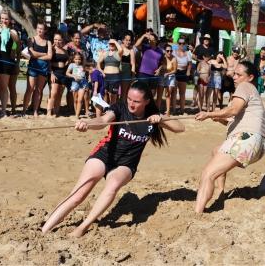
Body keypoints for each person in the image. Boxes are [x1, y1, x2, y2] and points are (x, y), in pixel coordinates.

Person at [41, 81, 183, 237]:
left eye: (136, 101)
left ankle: (83, 227)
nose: (131, 104)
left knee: (113, 184)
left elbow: (180, 128)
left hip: (126, 164)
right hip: (104, 155)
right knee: (78, 195)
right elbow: (102, 121)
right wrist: (87, 123)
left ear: (147, 101)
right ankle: (45, 229)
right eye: (129, 99)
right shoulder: (119, 108)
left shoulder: (152, 117)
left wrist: (161, 118)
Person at [194, 60, 265, 214]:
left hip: (246, 139)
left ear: (250, 77)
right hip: (255, 144)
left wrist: (208, 113)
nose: (234, 77)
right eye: (234, 74)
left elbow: (232, 110)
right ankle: (220, 193)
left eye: (239, 75)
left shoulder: (244, 87)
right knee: (216, 151)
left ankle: (197, 213)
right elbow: (233, 119)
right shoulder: (252, 92)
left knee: (207, 174)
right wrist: (219, 118)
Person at [25, 22, 52, 116]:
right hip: (33, 67)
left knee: (39, 90)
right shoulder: (31, 39)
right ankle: (24, 110)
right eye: (38, 28)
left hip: (43, 68)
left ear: (45, 30)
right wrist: (44, 54)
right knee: (30, 89)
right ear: (36, 29)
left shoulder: (48, 42)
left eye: (42, 29)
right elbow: (32, 53)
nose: (40, 30)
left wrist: (38, 56)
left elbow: (50, 56)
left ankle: (35, 110)